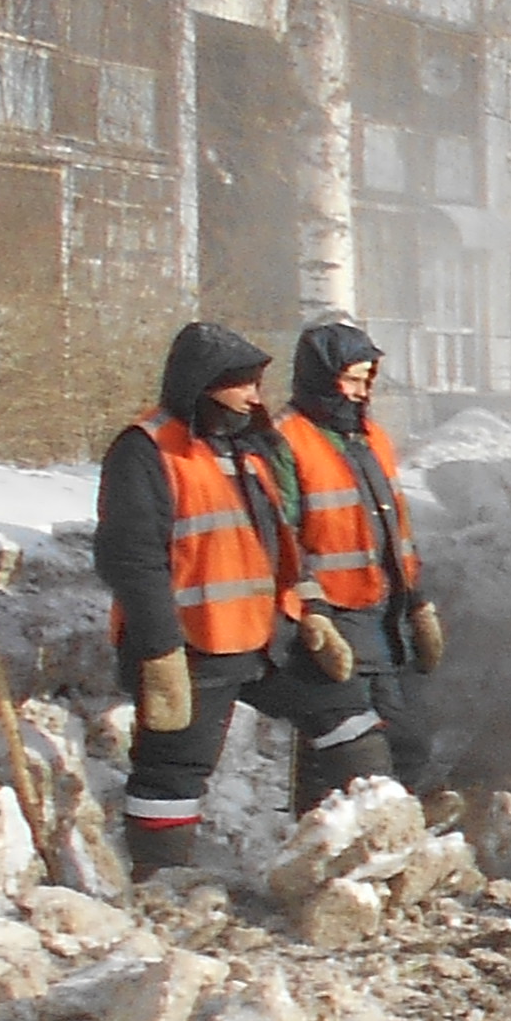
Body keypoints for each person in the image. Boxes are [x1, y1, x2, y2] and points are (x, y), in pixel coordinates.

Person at [94, 323, 362, 876]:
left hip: (266, 639)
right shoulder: (144, 451)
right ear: (203, 385)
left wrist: (311, 611)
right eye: (242, 386)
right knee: (172, 770)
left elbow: (282, 544)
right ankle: (161, 886)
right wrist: (158, 651)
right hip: (194, 646)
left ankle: (337, 857)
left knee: (349, 719)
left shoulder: (248, 447)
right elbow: (133, 560)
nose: (254, 398)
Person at [279, 314, 446, 791]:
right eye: (351, 379)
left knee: (408, 740)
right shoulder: (286, 440)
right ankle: (328, 841)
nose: (359, 391)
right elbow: (284, 540)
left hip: (385, 614)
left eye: (365, 380)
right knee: (347, 748)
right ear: (322, 378)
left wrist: (417, 600)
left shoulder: (372, 439)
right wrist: (311, 613)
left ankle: (394, 835)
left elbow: (396, 530)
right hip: (335, 616)